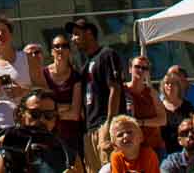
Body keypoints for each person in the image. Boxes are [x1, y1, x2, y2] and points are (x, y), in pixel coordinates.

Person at [72, 18, 125, 173]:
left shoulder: (107, 54)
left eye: (76, 34)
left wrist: (110, 123)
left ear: (89, 33)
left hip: (105, 125)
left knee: (110, 168)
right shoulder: (85, 66)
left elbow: (115, 89)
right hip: (90, 130)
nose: (73, 39)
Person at [43, 34, 84, 151]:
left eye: (64, 46)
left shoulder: (76, 76)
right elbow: (42, 108)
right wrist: (66, 107)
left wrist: (52, 113)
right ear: (52, 51)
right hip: (49, 137)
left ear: (69, 51)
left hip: (72, 136)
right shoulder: (43, 74)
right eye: (57, 46)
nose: (60, 49)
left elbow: (75, 115)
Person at [121, 57, 167, 157]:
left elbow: (163, 120)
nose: (141, 70)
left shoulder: (152, 93)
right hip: (130, 147)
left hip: (154, 147)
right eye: (137, 66)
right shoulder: (122, 91)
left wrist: (141, 122)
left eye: (144, 68)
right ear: (130, 69)